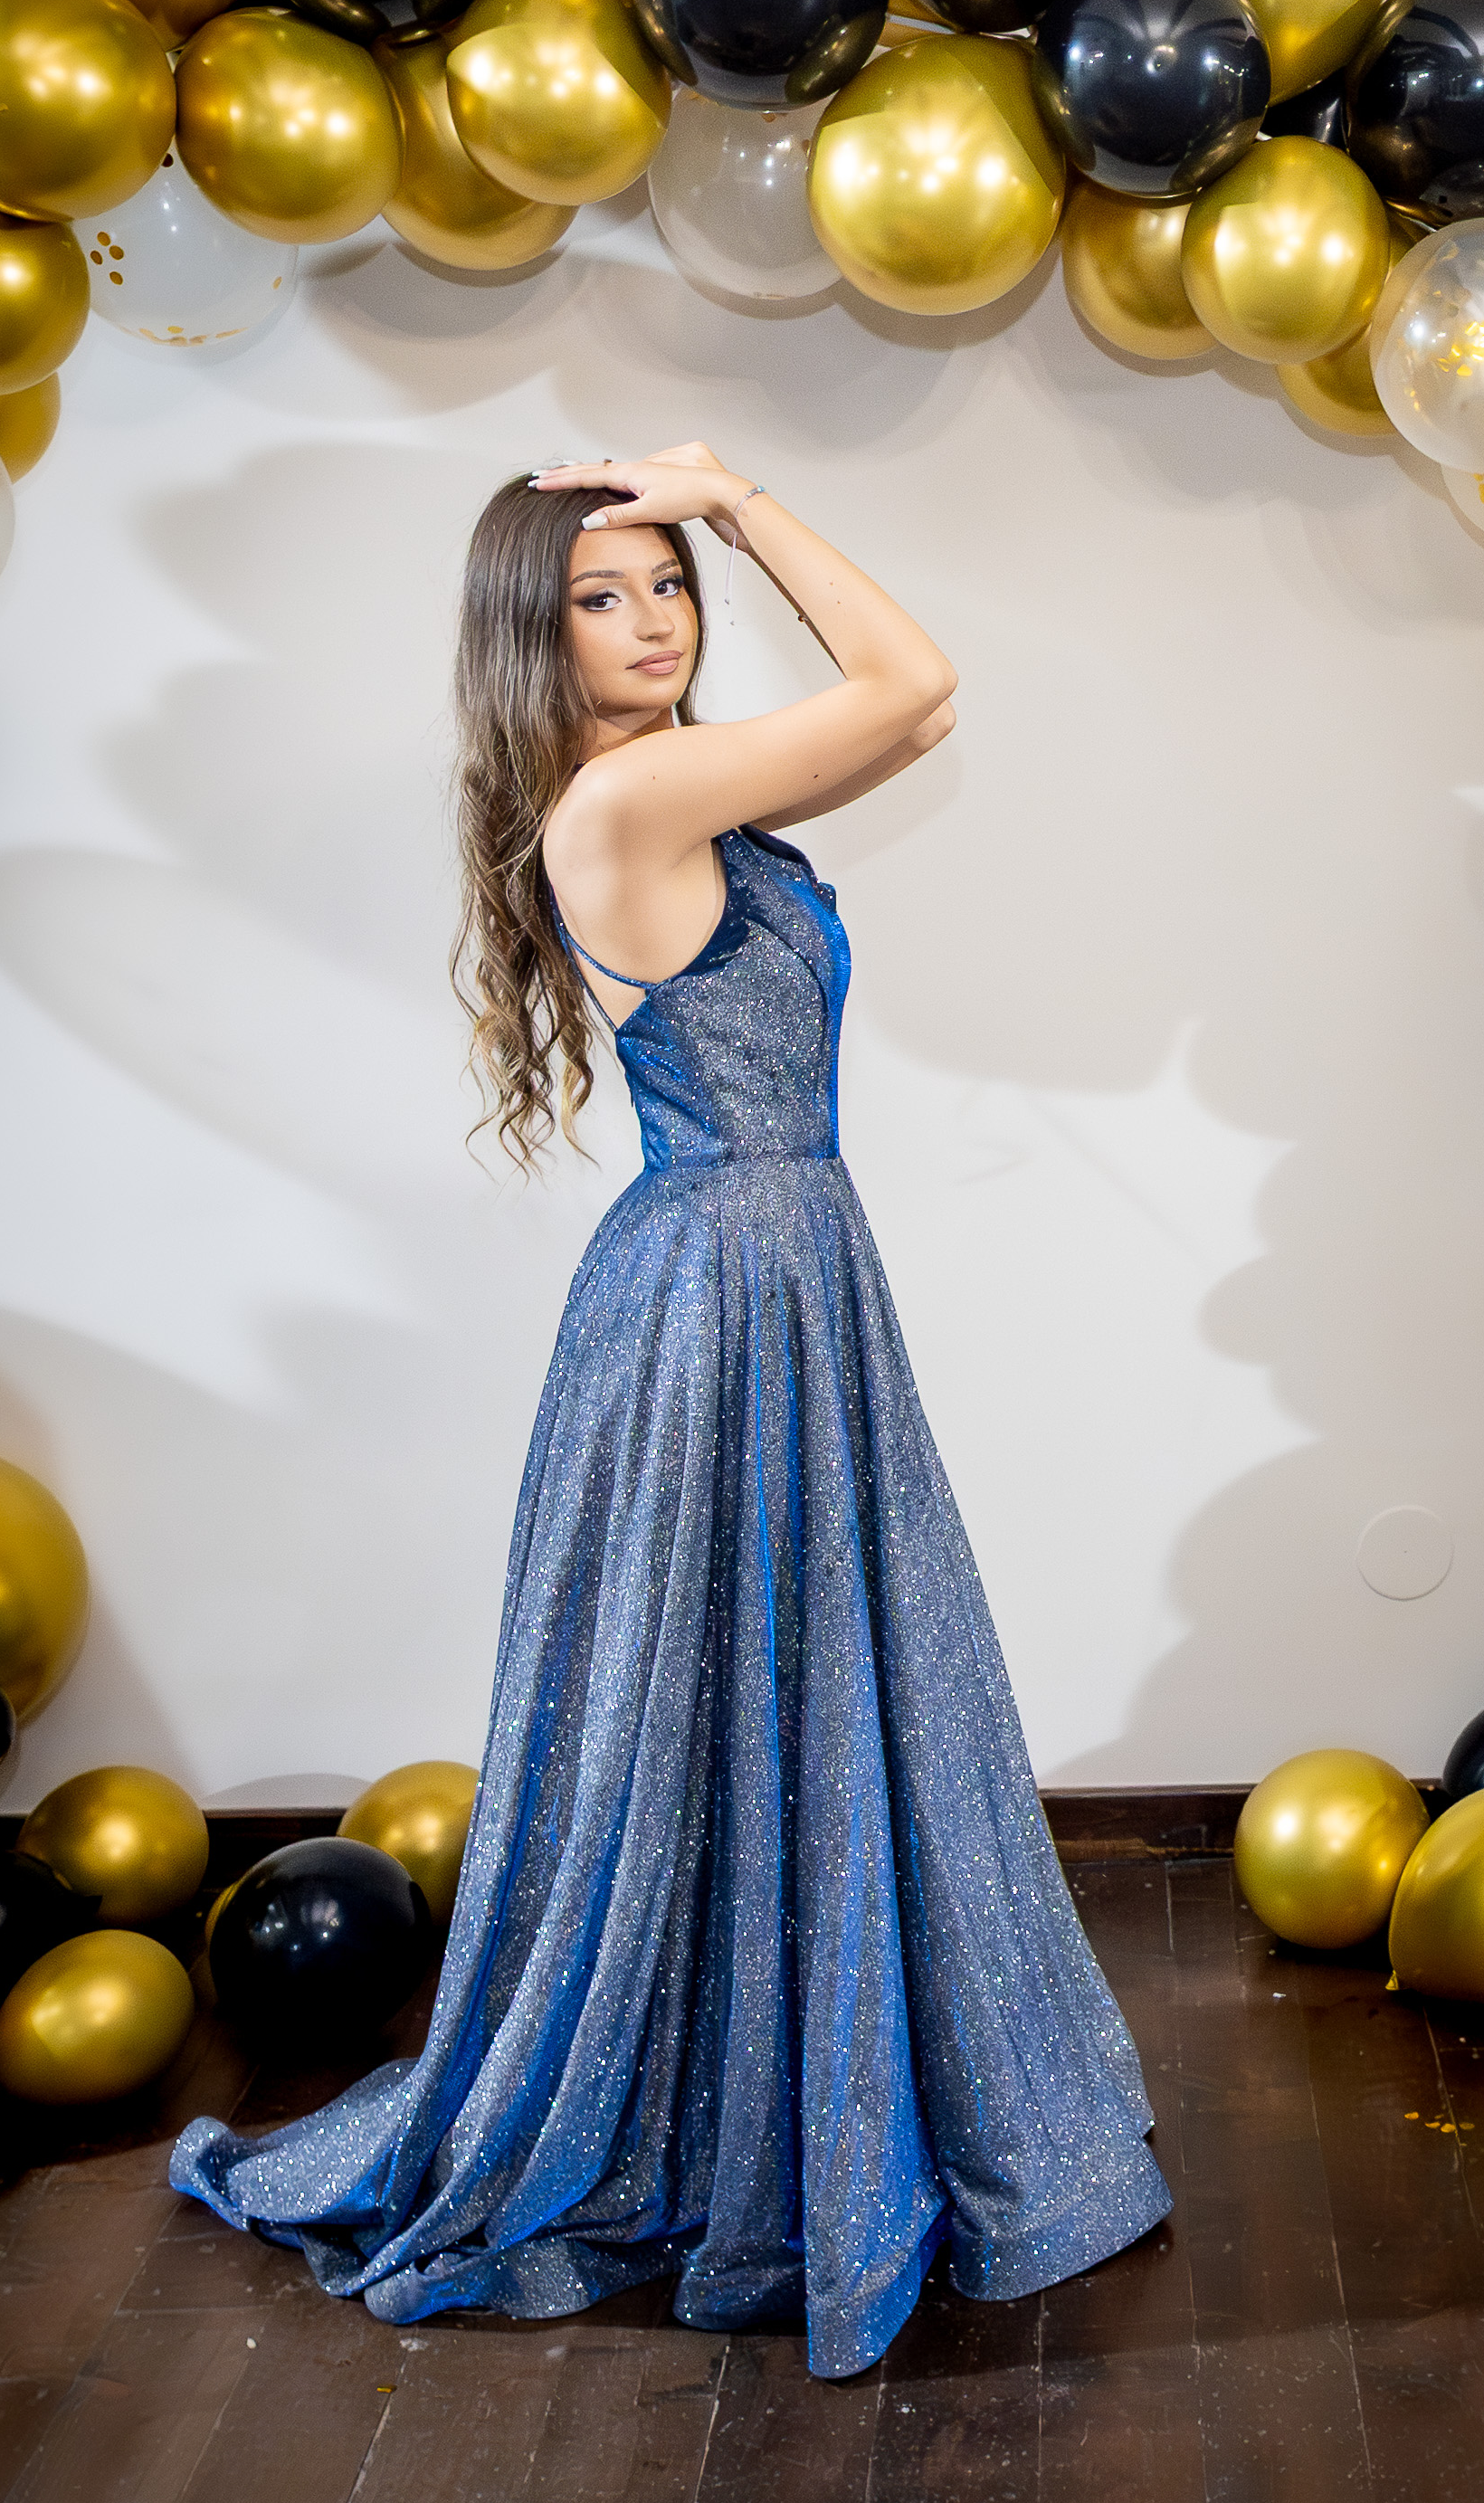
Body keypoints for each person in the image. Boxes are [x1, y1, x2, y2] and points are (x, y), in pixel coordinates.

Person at [168, 445, 1170, 2375]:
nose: (653, 622)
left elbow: (915, 715)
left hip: (764, 1264)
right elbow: (912, 676)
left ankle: (761, 2094)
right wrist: (735, 496)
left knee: (763, 1687)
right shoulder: (630, 795)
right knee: (736, 1687)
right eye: (602, 597)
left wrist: (717, 524)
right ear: (528, 638)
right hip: (724, 1287)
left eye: (669, 582)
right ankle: (738, 2124)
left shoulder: (666, 778)